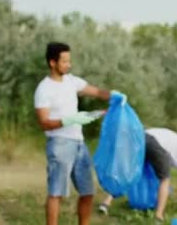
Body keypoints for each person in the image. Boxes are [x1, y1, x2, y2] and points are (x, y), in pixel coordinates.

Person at [34, 42, 126, 225]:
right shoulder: (44, 89)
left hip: (79, 144)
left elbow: (96, 92)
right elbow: (44, 123)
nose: (69, 64)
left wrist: (114, 95)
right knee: (56, 192)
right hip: (59, 143)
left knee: (88, 192)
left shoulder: (71, 81)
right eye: (65, 61)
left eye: (69, 60)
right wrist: (69, 120)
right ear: (53, 62)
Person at [99, 127, 177, 222]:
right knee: (165, 180)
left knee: (128, 173)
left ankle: (106, 203)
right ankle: (158, 216)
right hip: (153, 142)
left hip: (138, 137)